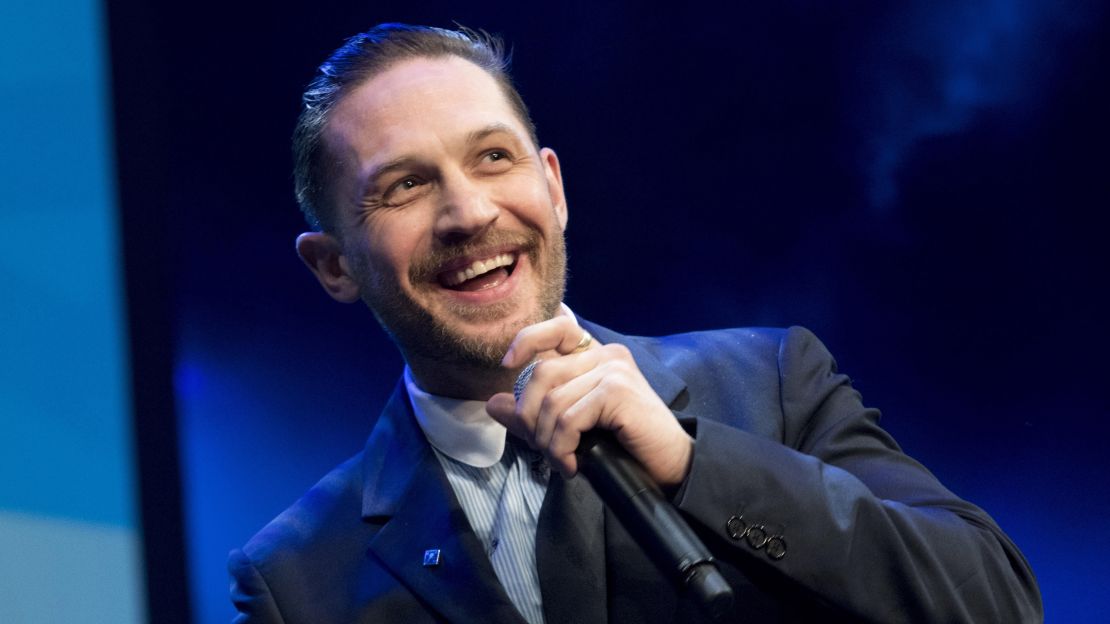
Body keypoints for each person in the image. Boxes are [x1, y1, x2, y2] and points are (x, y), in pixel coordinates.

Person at [228, 23, 1042, 623]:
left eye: (493, 158)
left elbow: (995, 602)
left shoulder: (771, 386)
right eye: (404, 186)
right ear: (333, 265)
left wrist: (695, 466)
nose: (469, 212)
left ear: (553, 187)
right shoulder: (296, 578)